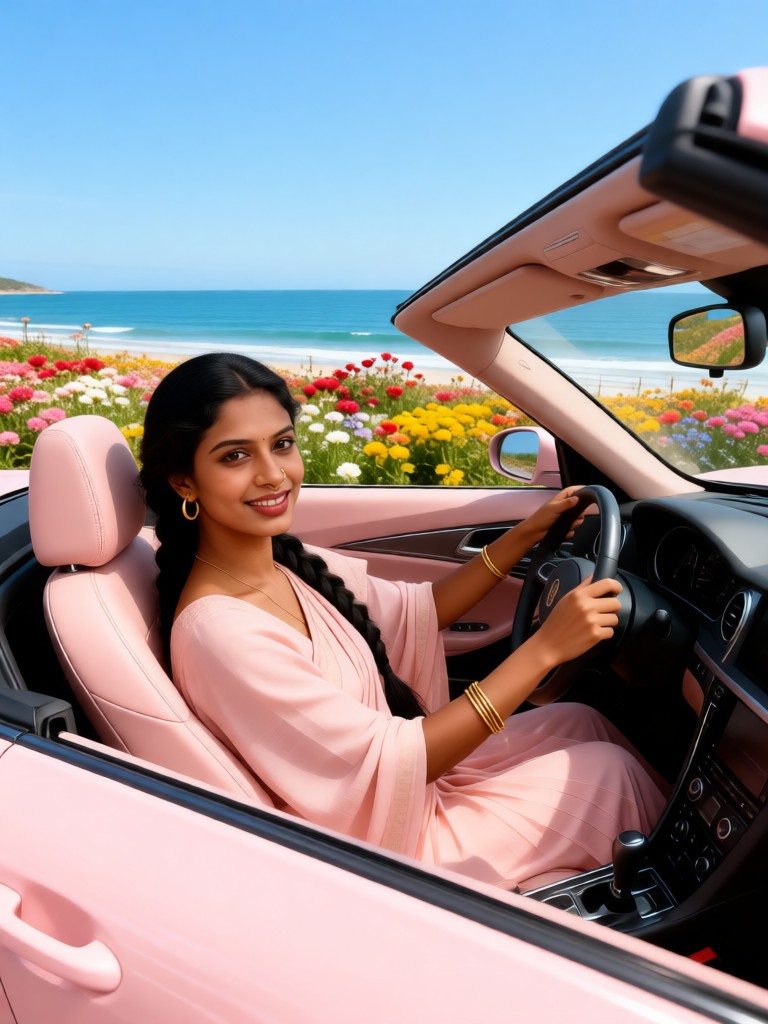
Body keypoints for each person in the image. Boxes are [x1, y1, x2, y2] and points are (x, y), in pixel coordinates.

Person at [139, 352, 665, 891]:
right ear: (185, 482)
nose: (273, 474)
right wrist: (544, 651)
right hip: (384, 846)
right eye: (234, 457)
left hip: (397, 792)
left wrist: (527, 535)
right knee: (608, 773)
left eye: (282, 443)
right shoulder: (222, 634)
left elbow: (419, 612)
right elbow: (388, 764)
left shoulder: (284, 565)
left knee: (580, 722)